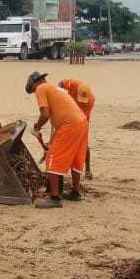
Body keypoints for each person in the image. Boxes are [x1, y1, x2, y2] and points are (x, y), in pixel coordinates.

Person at [26, 71, 88, 208]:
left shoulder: (41, 88)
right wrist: (50, 142)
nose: (35, 93)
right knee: (76, 159)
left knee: (52, 158)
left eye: (33, 90)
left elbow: (45, 114)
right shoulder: (57, 90)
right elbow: (56, 124)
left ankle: (54, 198)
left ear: (35, 83)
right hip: (82, 122)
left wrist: (37, 127)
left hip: (70, 125)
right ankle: (75, 193)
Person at [58, 78, 95, 179]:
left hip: (81, 115)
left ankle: (88, 169)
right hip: (69, 106)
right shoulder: (73, 84)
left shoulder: (90, 101)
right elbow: (61, 83)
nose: (81, 100)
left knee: (84, 142)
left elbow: (82, 118)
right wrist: (59, 94)